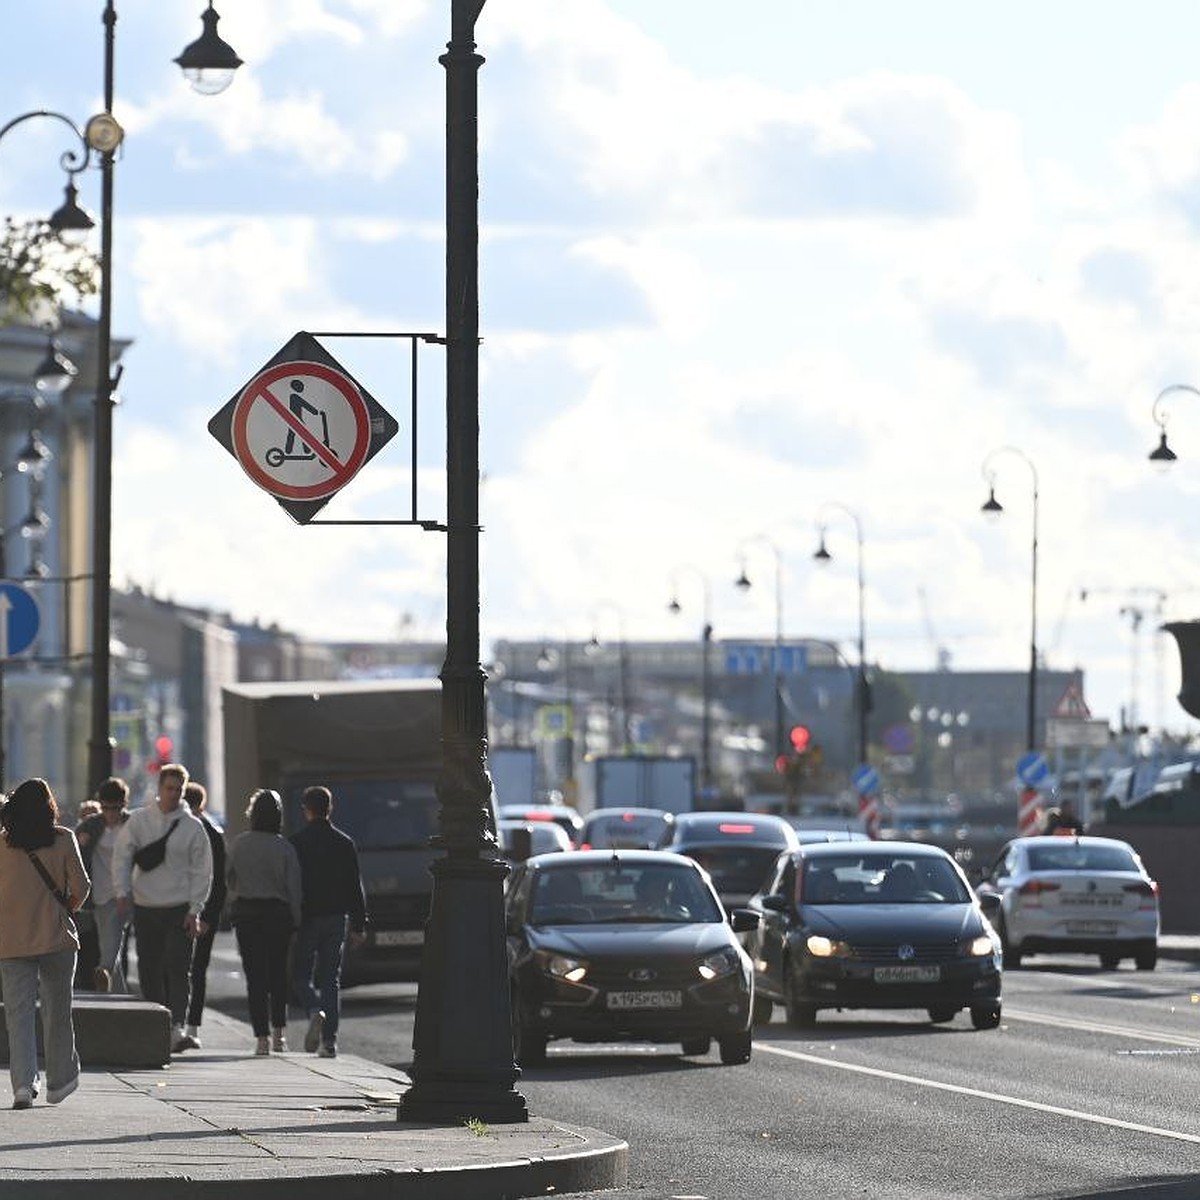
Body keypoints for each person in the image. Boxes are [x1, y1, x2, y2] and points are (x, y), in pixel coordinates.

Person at [0, 778, 89, 1109]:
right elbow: (82, 886)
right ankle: (60, 1080)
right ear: (48, 807)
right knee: (57, 1011)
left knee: (18, 1015)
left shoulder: (2, 845)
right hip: (56, 939)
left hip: (11, 941)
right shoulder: (63, 839)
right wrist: (67, 907)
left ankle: (23, 1085)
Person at [112, 763, 213, 1055]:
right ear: (159, 789)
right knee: (149, 966)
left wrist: (195, 909)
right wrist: (122, 892)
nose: (173, 794)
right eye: (169, 788)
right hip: (146, 905)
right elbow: (122, 856)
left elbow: (202, 871)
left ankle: (176, 1025)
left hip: (179, 907)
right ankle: (156, 1019)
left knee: (179, 966)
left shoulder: (193, 827)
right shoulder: (140, 821)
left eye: (178, 789)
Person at [290, 785, 366, 1058]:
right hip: (337, 917)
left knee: (300, 975)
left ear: (306, 810)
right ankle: (329, 1042)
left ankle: (314, 1010)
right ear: (329, 808)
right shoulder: (344, 842)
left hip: (308, 917)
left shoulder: (296, 842)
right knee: (330, 979)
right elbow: (354, 887)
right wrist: (359, 925)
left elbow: (293, 884)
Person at [226, 788, 302, 1056]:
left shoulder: (239, 843)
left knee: (255, 976)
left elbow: (227, 876)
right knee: (278, 975)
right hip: (277, 915)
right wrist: (297, 919)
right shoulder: (284, 847)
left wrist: (236, 893)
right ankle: (280, 1033)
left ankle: (261, 1037)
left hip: (247, 914)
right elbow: (294, 887)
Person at [75, 777, 132, 992]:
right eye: (106, 808)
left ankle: (106, 974)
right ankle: (112, 983)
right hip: (102, 895)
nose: (111, 813)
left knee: (115, 944)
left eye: (115, 808)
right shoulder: (90, 826)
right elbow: (76, 857)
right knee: (111, 943)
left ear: (123, 805)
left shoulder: (132, 824)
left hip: (130, 893)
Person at [183, 780, 226, 1049]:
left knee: (189, 969)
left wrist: (206, 917)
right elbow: (221, 882)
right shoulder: (213, 831)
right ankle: (191, 1026)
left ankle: (187, 1024)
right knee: (196, 970)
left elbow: (217, 879)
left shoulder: (203, 832)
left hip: (190, 910)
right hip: (201, 912)